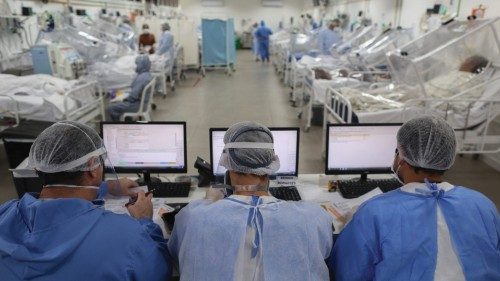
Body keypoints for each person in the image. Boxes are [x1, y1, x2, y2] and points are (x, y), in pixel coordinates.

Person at [333, 116, 500, 281]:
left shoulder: (373, 212)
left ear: (402, 159)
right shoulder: (483, 205)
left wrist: (354, 221)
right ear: (448, 157)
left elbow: (347, 271)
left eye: (396, 151)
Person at [0, 121, 171, 281]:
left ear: (41, 166)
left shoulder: (5, 213)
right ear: (93, 167)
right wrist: (145, 222)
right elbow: (159, 272)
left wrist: (106, 187)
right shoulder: (131, 237)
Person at [168, 121, 335, 280]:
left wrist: (207, 202)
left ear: (229, 167)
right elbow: (326, 251)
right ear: (270, 167)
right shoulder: (313, 217)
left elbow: (176, 254)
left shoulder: (193, 217)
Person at [107, 55, 153, 121]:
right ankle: (128, 120)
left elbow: (133, 96)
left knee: (111, 108)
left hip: (137, 105)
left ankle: (118, 126)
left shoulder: (141, 79)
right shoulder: (147, 74)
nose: (135, 66)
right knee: (116, 96)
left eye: (137, 64)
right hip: (143, 103)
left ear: (141, 65)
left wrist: (123, 99)